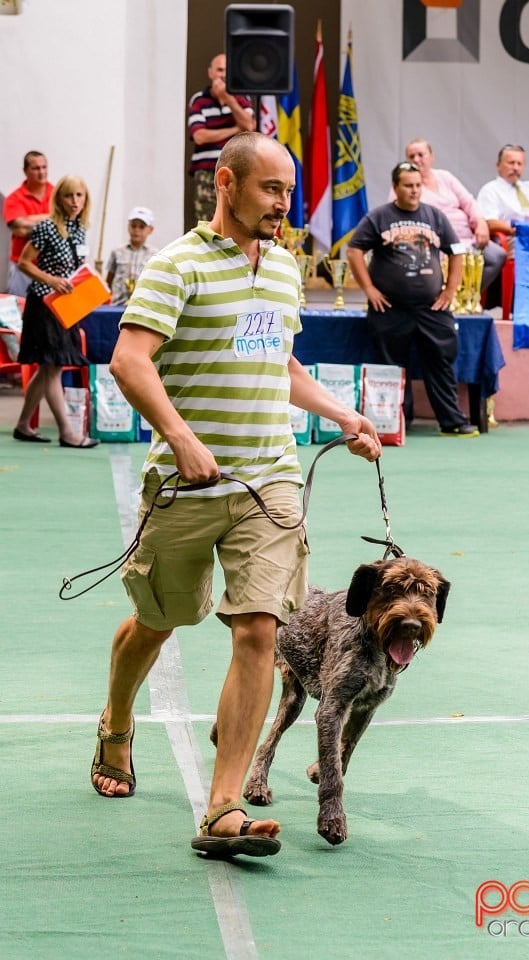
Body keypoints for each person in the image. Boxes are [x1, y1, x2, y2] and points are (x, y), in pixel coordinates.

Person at [89, 132, 382, 860]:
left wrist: (341, 415)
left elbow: (276, 360)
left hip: (269, 478)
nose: (283, 205)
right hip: (185, 485)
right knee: (158, 622)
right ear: (226, 184)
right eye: (270, 190)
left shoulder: (283, 268)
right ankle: (116, 721)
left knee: (258, 631)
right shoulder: (177, 265)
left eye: (288, 191)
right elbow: (129, 361)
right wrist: (182, 438)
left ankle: (223, 808)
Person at [347, 161, 479, 437]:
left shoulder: (435, 216)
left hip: (432, 307)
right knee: (391, 365)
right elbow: (354, 250)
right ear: (395, 187)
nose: (415, 190)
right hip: (390, 308)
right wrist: (369, 289)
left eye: (418, 185)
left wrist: (450, 291)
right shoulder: (379, 217)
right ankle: (394, 422)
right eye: (408, 185)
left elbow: (456, 251)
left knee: (441, 361)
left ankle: (452, 420)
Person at [12, 175, 99, 447]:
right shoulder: (47, 227)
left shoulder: (79, 229)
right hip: (44, 304)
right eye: (69, 196)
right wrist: (50, 280)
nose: (74, 201)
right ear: (58, 199)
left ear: (85, 199)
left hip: (66, 306)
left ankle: (23, 425)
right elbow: (24, 263)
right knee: (53, 368)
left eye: (79, 196)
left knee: (49, 367)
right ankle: (67, 432)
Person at [393, 139, 505, 291]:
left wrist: (481, 223)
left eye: (421, 155)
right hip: (436, 244)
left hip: (467, 239)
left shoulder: (445, 177)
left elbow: (469, 202)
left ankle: (467, 297)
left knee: (497, 256)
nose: (417, 160)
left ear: (431, 156)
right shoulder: (404, 185)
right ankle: (449, 299)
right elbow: (397, 215)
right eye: (412, 157)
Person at [187, 53, 256, 223]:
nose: (223, 75)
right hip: (206, 173)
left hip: (236, 170)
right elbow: (200, 136)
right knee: (207, 223)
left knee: (236, 220)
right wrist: (234, 129)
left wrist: (228, 99)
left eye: (227, 71)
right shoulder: (199, 100)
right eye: (219, 70)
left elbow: (249, 127)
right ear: (210, 73)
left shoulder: (241, 98)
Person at [3, 151, 54, 298]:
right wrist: (52, 220)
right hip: (23, 269)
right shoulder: (14, 198)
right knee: (20, 314)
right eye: (36, 168)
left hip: (52, 270)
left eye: (44, 167)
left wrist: (31, 220)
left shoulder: (57, 194)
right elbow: (20, 228)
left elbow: (66, 222)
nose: (41, 172)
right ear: (25, 171)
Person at [105, 206, 157, 305]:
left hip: (142, 307)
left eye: (142, 227)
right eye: (133, 226)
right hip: (118, 305)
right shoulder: (117, 251)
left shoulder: (155, 255)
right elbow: (109, 280)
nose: (137, 230)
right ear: (128, 226)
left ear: (150, 229)